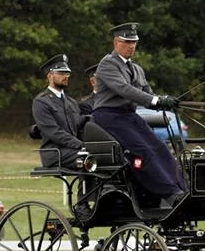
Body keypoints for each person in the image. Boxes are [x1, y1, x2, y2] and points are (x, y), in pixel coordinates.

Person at [92, 23, 187, 209]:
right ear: (116, 42)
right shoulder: (107, 64)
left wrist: (165, 101)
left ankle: (182, 188)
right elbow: (125, 90)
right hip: (108, 116)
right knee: (143, 151)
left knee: (160, 147)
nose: (131, 46)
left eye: (134, 42)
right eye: (127, 42)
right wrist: (156, 101)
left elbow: (147, 93)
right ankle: (168, 194)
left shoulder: (137, 69)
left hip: (128, 116)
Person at [32, 54, 88, 168]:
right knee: (91, 158)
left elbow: (79, 127)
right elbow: (54, 132)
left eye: (67, 73)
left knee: (104, 156)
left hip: (72, 150)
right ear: (50, 76)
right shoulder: (42, 102)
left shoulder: (71, 102)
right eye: (61, 73)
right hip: (55, 153)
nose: (66, 76)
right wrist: (80, 145)